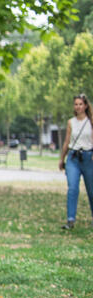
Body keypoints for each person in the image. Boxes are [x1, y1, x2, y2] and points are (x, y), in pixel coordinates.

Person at [58, 93, 93, 229]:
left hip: (88, 157)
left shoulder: (90, 121)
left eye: (80, 104)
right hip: (73, 158)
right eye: (76, 104)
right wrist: (62, 158)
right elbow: (67, 141)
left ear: (85, 106)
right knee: (72, 188)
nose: (78, 107)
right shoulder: (70, 122)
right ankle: (70, 219)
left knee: (91, 191)